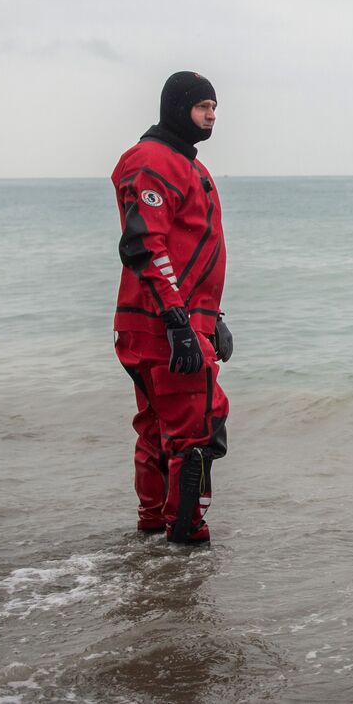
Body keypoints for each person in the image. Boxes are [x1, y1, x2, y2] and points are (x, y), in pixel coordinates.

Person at [111, 70, 233, 544]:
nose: (211, 117)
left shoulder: (189, 165)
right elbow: (145, 243)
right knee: (198, 429)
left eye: (215, 109)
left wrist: (211, 318)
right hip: (161, 323)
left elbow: (189, 251)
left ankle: (153, 531)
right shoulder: (151, 161)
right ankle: (186, 538)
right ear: (177, 108)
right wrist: (178, 321)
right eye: (203, 107)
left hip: (176, 319)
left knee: (159, 426)